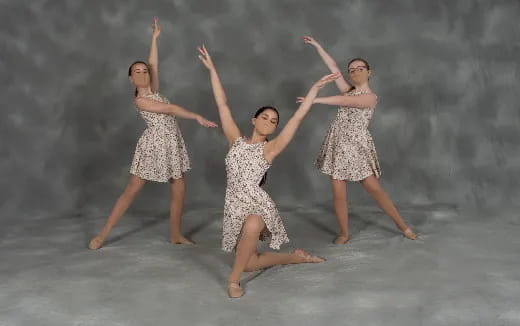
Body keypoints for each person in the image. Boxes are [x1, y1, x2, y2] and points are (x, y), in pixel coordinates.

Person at [198, 44, 338, 298]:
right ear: (254, 120)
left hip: (257, 203)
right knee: (250, 262)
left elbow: (296, 120)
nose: (269, 122)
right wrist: (212, 70)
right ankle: (296, 258)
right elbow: (223, 104)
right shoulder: (235, 141)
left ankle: (233, 281)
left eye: (274, 121)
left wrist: (313, 91)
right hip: (234, 204)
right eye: (265, 117)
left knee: (253, 227)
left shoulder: (270, 149)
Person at [88, 19, 218, 250]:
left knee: (179, 188)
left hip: (171, 142)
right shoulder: (141, 100)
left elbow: (153, 65)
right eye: (137, 71)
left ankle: (176, 234)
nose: (143, 73)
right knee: (132, 190)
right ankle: (103, 235)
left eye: (144, 71)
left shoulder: (154, 90)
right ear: (131, 78)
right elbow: (170, 109)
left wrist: (155, 38)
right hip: (153, 145)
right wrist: (196, 116)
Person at [301, 35, 417, 244]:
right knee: (338, 192)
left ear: (369, 72)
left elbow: (343, 101)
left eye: (359, 68)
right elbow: (333, 66)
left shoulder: (371, 97)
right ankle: (344, 233)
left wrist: (314, 99)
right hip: (338, 143)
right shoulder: (348, 89)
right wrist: (318, 46)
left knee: (374, 189)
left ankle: (403, 226)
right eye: (351, 70)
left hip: (356, 146)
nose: (354, 71)